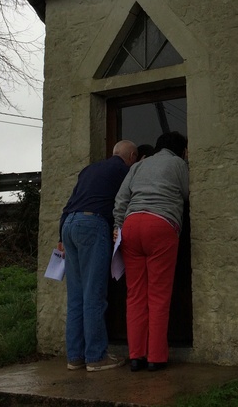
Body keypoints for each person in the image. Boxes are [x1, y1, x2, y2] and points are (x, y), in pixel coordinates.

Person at [113, 131, 189, 372]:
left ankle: (136, 356)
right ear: (182, 150)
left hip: (132, 225)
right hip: (161, 225)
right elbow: (189, 194)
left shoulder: (140, 165)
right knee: (158, 294)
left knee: (135, 294)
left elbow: (121, 199)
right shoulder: (178, 164)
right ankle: (156, 357)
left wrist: (118, 226)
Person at [59, 140, 138, 372]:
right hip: (92, 224)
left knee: (76, 296)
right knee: (94, 294)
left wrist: (60, 236)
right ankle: (96, 357)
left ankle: (75, 357)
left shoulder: (89, 169)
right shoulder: (125, 170)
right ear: (132, 155)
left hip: (69, 225)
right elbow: (128, 199)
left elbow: (69, 203)